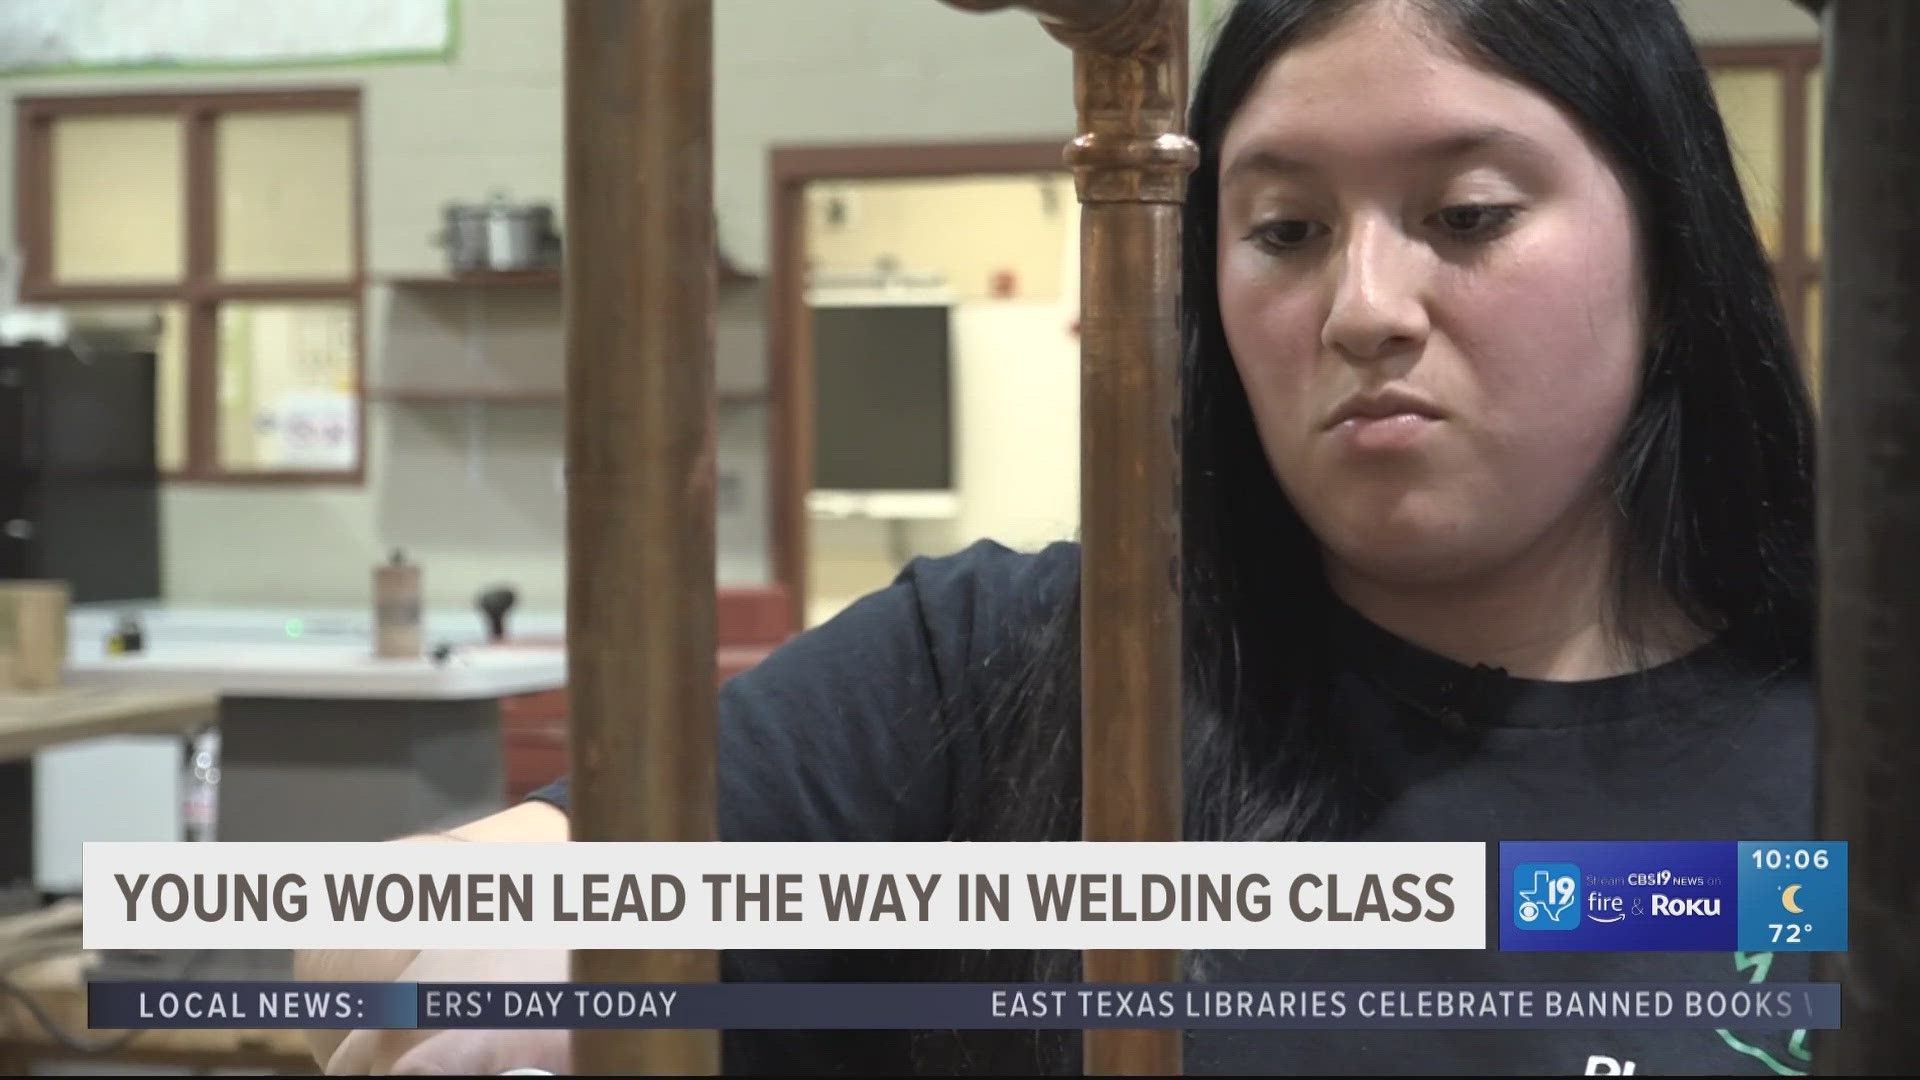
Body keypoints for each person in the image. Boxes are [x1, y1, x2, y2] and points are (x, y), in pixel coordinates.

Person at [300, 0, 1819, 1073]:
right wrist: (518, 959)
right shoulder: (1011, 670)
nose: (1364, 308)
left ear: (1671, 258)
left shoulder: (1847, 740)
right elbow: (375, 920)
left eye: (1470, 215)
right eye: (1284, 231)